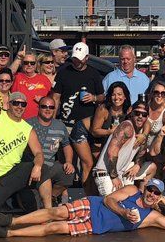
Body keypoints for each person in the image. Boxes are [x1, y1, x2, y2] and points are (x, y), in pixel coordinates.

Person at [0, 178, 165, 238]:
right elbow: (108, 200)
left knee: (54, 228)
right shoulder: (132, 191)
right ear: (145, 189)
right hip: (93, 206)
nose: (151, 195)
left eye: (156, 193)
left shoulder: (151, 216)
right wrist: (123, 212)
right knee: (56, 212)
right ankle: (12, 221)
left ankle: (9, 234)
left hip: (95, 226)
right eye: (150, 190)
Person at [0, 91, 49, 225]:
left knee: (43, 168)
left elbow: (39, 153)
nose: (19, 107)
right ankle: (8, 200)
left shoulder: (28, 129)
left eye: (23, 104)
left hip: (10, 175)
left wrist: (38, 166)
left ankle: (48, 212)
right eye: (16, 103)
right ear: (8, 104)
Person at [51, 41, 105, 186]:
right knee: (66, 161)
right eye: (75, 58)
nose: (77, 61)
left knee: (87, 161)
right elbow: (56, 97)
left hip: (87, 124)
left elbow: (102, 96)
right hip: (67, 122)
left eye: (80, 59)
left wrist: (93, 98)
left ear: (86, 58)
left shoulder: (93, 73)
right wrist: (54, 119)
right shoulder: (64, 72)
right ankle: (62, 195)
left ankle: (86, 191)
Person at [94, 100, 152, 195]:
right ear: (131, 112)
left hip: (119, 173)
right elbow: (112, 152)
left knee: (152, 167)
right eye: (137, 113)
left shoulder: (141, 133)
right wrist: (114, 177)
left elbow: (142, 153)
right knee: (112, 205)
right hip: (107, 174)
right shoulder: (127, 127)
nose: (140, 117)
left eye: (144, 114)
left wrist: (138, 165)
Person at [29, 94, 75, 207]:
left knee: (68, 173)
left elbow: (66, 145)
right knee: (33, 205)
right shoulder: (28, 124)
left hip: (50, 165)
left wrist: (69, 161)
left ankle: (53, 197)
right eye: (44, 106)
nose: (48, 109)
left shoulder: (60, 125)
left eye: (51, 107)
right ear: (38, 108)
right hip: (32, 166)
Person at [10, 51, 51, 119]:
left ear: (36, 64)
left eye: (32, 63)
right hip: (18, 119)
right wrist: (18, 58)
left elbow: (52, 99)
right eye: (26, 63)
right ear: (22, 64)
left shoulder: (44, 79)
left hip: (38, 120)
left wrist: (43, 100)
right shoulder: (17, 77)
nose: (29, 65)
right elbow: (7, 73)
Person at [143, 81, 165, 151]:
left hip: (156, 150)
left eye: (163, 93)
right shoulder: (146, 105)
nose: (159, 95)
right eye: (156, 92)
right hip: (140, 146)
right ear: (152, 94)